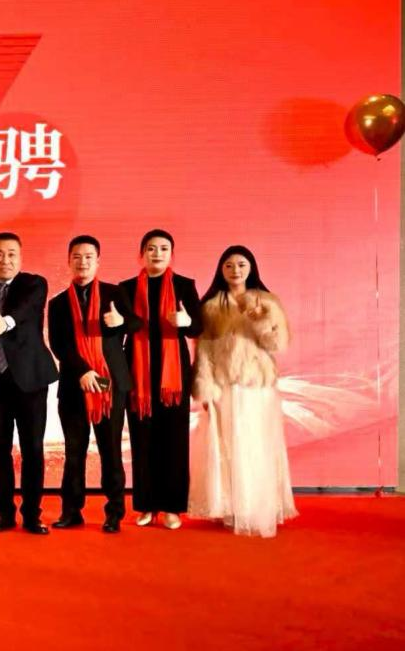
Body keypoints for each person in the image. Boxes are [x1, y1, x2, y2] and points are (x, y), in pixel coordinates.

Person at [189, 246, 296, 538]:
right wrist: (206, 387)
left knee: (256, 444)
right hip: (224, 387)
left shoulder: (267, 301)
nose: (235, 270)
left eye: (241, 264)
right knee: (227, 445)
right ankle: (232, 506)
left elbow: (278, 344)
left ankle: (257, 505)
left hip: (256, 387)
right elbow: (203, 350)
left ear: (251, 268)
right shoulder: (210, 306)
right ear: (221, 270)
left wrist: (260, 318)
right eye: (229, 265)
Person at [0, 232, 59, 535]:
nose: (5, 260)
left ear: (20, 257)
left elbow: (27, 310)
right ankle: (4, 513)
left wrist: (5, 323)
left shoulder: (34, 284)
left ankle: (32, 515)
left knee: (33, 449)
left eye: (11, 254)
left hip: (30, 382)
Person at [47, 235, 140, 534]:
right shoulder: (57, 303)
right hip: (74, 385)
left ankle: (114, 513)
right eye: (77, 256)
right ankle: (71, 511)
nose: (83, 262)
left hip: (111, 384)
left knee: (111, 450)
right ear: (69, 261)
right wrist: (83, 372)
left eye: (89, 256)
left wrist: (120, 322)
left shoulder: (115, 293)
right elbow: (59, 344)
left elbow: (136, 324)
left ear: (98, 261)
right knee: (74, 451)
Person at [120, 230, 203, 530]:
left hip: (173, 376)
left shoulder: (184, 285)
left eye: (164, 248)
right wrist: (119, 323)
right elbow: (120, 328)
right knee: (142, 440)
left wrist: (187, 321)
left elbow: (198, 329)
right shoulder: (126, 288)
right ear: (141, 253)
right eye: (151, 248)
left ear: (171, 254)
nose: (157, 253)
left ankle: (171, 507)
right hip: (137, 374)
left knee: (174, 442)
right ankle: (145, 505)